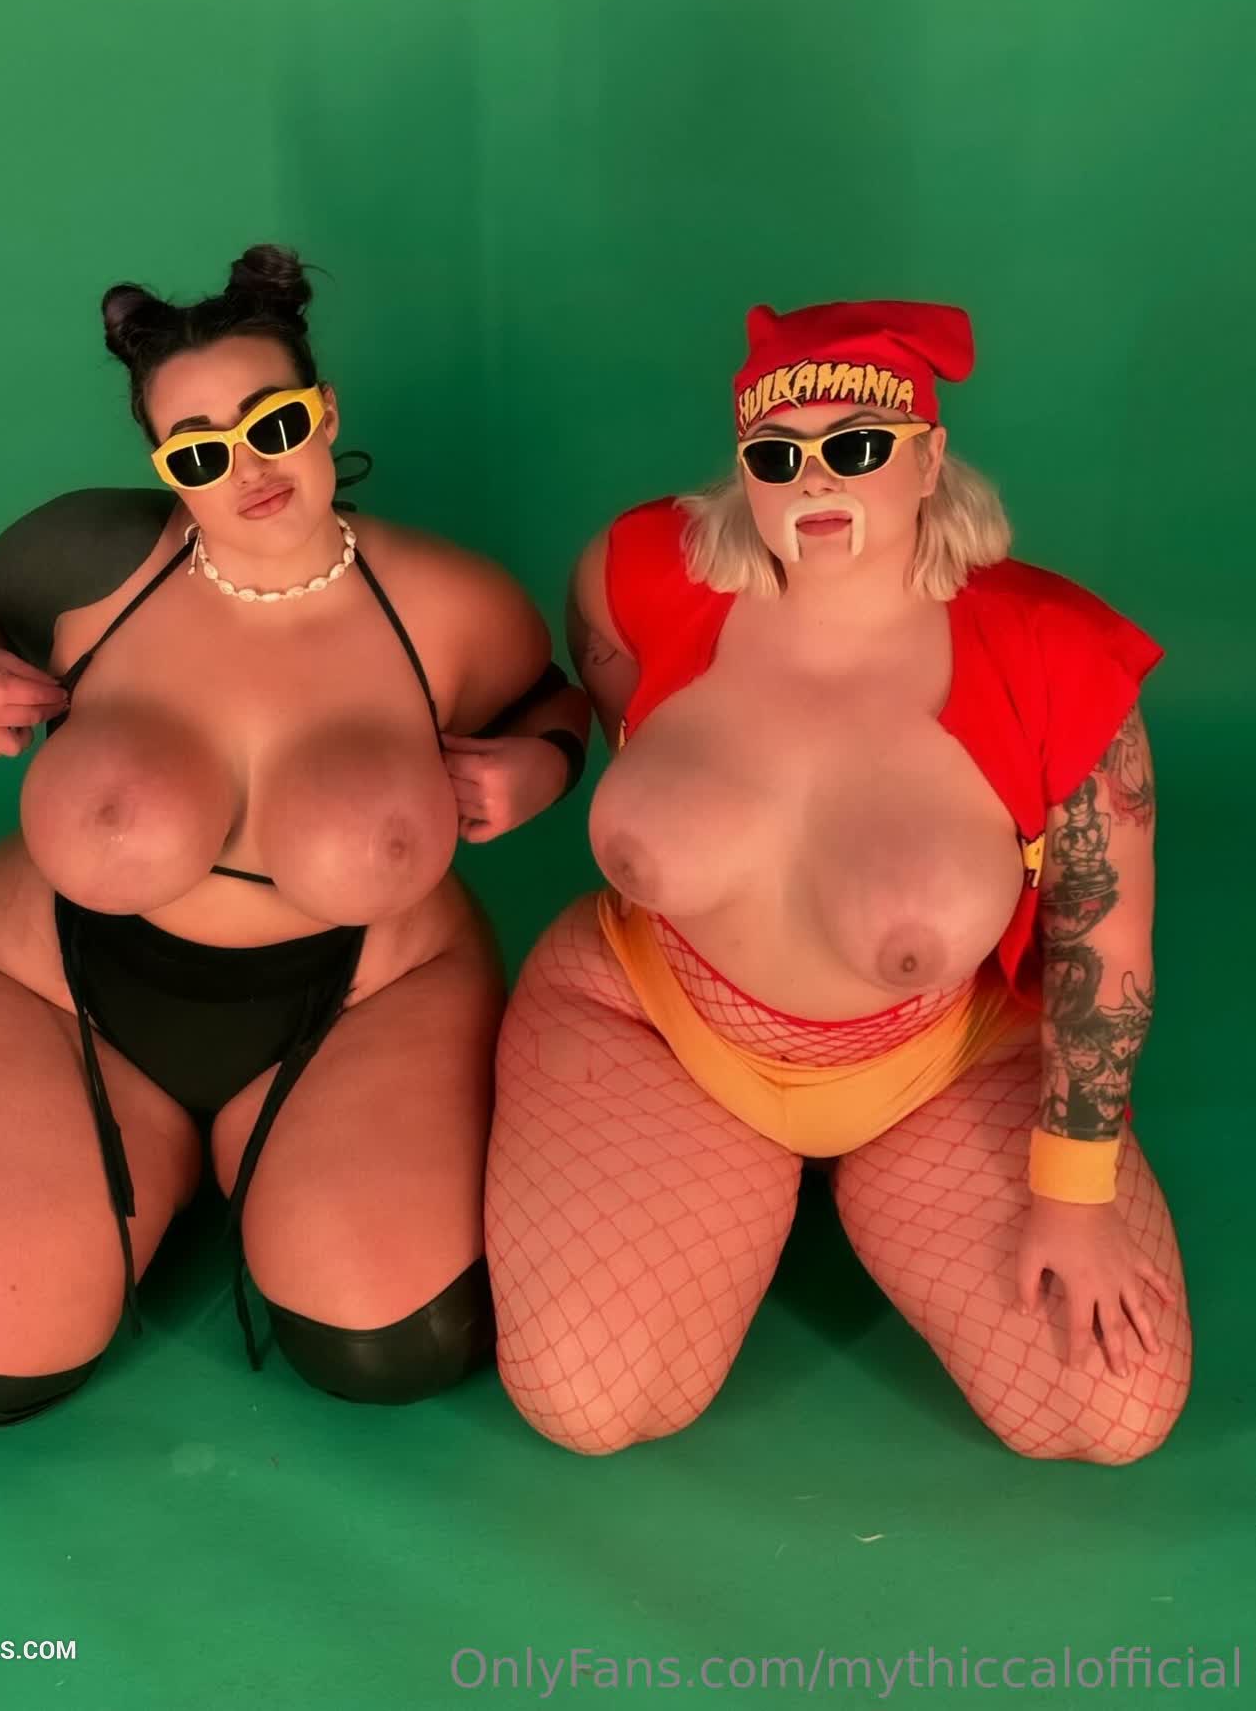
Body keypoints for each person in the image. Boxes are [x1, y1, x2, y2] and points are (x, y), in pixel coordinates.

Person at [0, 244, 589, 1427]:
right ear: (166, 468)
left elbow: (554, 701)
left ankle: (259, 1158)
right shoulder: (92, 560)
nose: (248, 468)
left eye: (274, 424)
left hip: (366, 992)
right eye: (200, 451)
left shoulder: (452, 604)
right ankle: (133, 1156)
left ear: (325, 412)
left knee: (394, 1348)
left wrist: (541, 767)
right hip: (49, 978)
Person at [486, 298, 1191, 1462]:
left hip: (942, 1058)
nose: (815, 477)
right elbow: (601, 658)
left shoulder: (1053, 650)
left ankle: (849, 1182)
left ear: (930, 459)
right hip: (657, 1022)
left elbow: (1101, 944)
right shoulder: (644, 570)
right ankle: (728, 1176)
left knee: (1107, 1416)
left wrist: (1074, 1190)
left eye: (857, 446)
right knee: (591, 1402)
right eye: (777, 456)